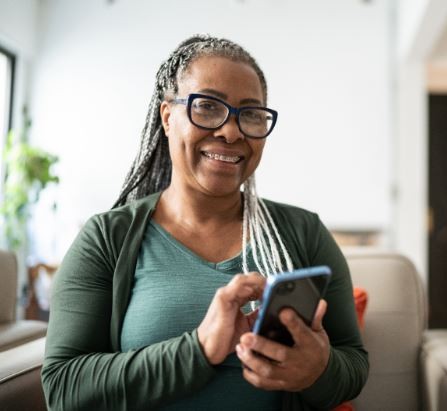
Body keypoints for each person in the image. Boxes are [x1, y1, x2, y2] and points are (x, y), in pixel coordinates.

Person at [41, 35, 368, 410]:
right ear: (168, 117)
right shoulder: (106, 238)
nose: (232, 131)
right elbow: (63, 389)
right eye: (208, 107)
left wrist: (318, 371)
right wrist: (198, 351)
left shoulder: (304, 232)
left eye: (250, 114)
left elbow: (354, 364)